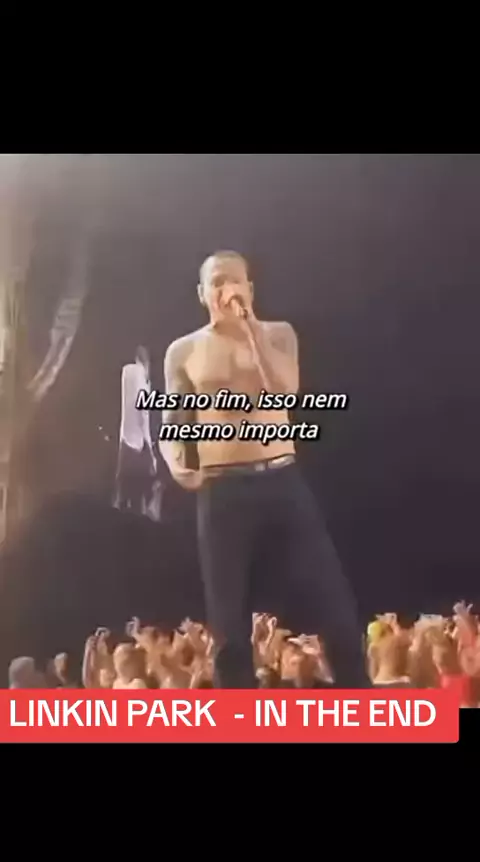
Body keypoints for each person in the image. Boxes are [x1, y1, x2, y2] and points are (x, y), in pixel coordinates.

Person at [159, 250, 369, 688]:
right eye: (216, 282)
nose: (226, 289)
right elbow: (172, 420)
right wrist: (176, 462)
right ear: (201, 293)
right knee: (228, 621)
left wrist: (250, 329)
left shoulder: (278, 334)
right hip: (222, 487)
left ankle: (358, 700)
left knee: (331, 598)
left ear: (250, 288)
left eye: (234, 280)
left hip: (281, 478)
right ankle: (238, 715)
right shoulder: (184, 350)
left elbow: (284, 390)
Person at [115, 346, 157, 515]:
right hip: (137, 445)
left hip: (124, 441)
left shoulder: (126, 372)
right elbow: (143, 416)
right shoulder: (142, 378)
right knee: (138, 498)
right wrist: (152, 454)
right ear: (146, 363)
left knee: (122, 496)